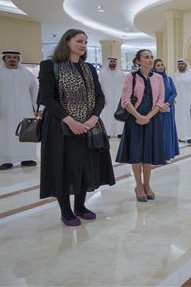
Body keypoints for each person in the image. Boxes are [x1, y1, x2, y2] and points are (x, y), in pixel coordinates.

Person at [37, 29, 115, 226]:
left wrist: (92, 119)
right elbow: (46, 97)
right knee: (63, 167)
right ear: (67, 41)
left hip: (89, 126)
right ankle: (66, 211)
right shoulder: (50, 66)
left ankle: (80, 206)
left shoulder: (89, 68)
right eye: (79, 41)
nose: (83, 45)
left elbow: (100, 97)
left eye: (86, 42)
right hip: (60, 126)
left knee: (84, 166)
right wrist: (70, 120)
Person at [116, 49, 166, 202]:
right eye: (146, 57)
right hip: (134, 120)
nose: (150, 60)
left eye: (151, 57)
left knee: (148, 154)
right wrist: (139, 116)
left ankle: (147, 185)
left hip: (152, 119)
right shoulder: (130, 77)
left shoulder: (158, 78)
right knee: (136, 153)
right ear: (138, 61)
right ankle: (138, 186)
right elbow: (125, 100)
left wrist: (148, 117)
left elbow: (160, 100)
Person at [0, 50, 38, 170]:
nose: (12, 59)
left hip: (25, 110)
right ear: (4, 59)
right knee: (4, 134)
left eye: (15, 57)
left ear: (19, 59)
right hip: (4, 112)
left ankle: (28, 158)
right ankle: (6, 160)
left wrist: (38, 108)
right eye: (9, 57)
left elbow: (35, 92)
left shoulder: (27, 74)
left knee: (26, 133)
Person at [153, 58, 180, 160]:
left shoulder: (169, 79)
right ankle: (157, 154)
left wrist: (167, 103)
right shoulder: (152, 79)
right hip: (156, 109)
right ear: (154, 68)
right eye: (158, 65)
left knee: (167, 131)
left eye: (162, 65)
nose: (161, 67)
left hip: (168, 109)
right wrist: (160, 105)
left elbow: (174, 93)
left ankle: (167, 154)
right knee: (158, 131)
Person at [98, 57, 125, 138]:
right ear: (108, 62)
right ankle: (107, 132)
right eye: (111, 61)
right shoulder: (102, 73)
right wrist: (102, 98)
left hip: (118, 98)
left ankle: (120, 132)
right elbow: (99, 86)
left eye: (114, 61)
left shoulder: (121, 74)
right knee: (107, 115)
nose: (113, 62)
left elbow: (124, 86)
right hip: (107, 99)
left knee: (119, 114)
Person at [172, 58, 191, 143]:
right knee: (178, 118)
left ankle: (189, 136)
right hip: (177, 102)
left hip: (188, 101)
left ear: (185, 65)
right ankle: (179, 136)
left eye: (182, 64)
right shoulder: (174, 76)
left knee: (188, 118)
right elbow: (172, 89)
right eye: (179, 64)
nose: (180, 65)